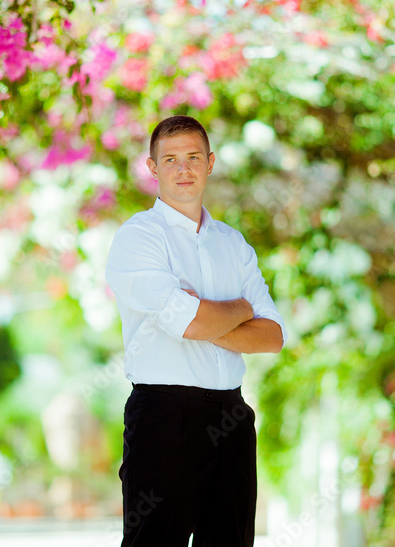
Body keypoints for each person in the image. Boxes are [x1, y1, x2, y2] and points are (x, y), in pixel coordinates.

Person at [105, 115, 287, 547]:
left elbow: (272, 336)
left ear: (210, 163)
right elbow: (192, 322)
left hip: (231, 416)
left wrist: (206, 314)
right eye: (170, 160)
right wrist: (238, 312)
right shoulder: (139, 239)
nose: (182, 169)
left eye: (192, 158)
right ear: (153, 168)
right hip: (165, 417)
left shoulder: (234, 244)